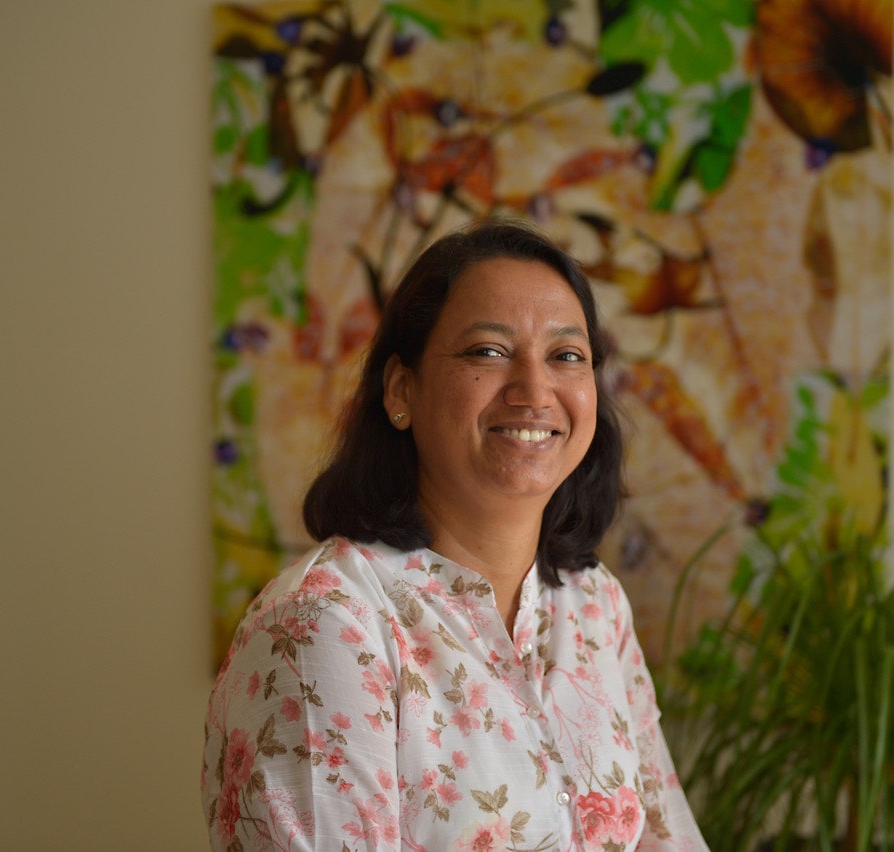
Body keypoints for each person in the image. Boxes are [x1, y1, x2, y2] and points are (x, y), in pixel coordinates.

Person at [202, 219, 708, 850]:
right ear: (400, 390)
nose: (534, 390)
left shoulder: (594, 604)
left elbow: (669, 837)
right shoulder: (324, 625)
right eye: (487, 352)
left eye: (566, 355)